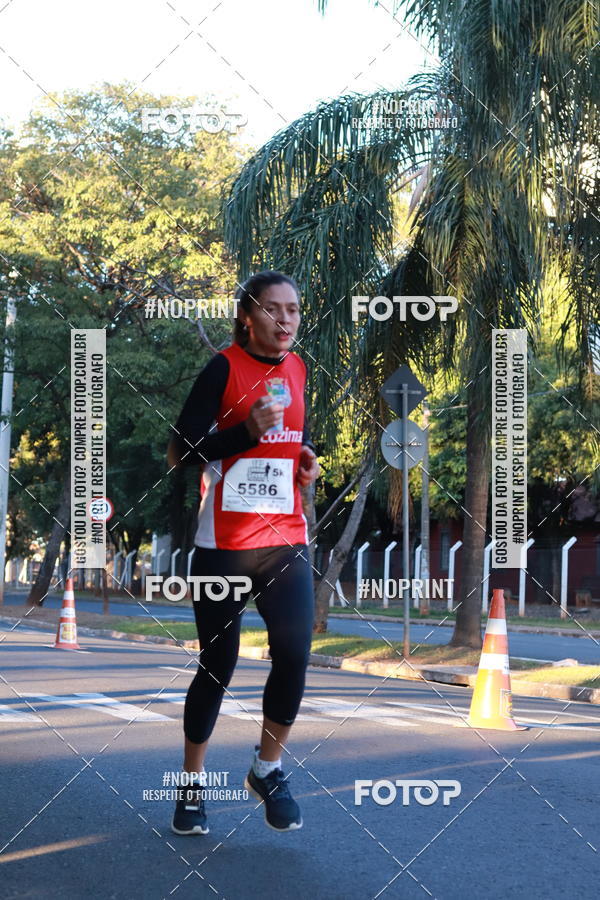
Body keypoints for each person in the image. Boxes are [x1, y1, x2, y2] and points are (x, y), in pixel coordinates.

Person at [167, 270, 320, 835]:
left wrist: (307, 461)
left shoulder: (300, 370)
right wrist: (242, 436)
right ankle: (190, 786)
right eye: (275, 310)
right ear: (247, 316)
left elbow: (294, 438)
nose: (286, 321)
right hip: (225, 545)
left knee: (296, 653)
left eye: (295, 311)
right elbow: (180, 451)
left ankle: (268, 767)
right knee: (219, 664)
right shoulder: (223, 368)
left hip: (285, 537)